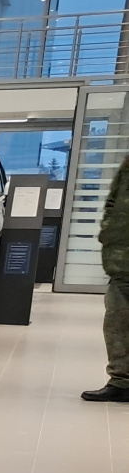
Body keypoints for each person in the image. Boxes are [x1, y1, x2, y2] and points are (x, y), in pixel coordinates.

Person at [82, 154, 129, 402]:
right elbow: (114, 200)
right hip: (120, 260)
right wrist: (107, 231)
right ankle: (121, 381)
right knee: (117, 323)